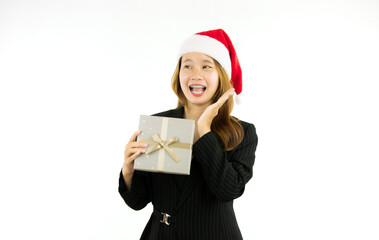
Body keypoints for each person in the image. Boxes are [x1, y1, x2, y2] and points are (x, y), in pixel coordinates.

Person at [119, 29, 258, 240]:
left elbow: (228, 190)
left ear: (221, 75)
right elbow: (137, 202)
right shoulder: (158, 126)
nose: (195, 74)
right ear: (179, 74)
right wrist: (128, 170)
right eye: (187, 66)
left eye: (206, 66)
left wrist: (205, 131)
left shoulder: (242, 132)